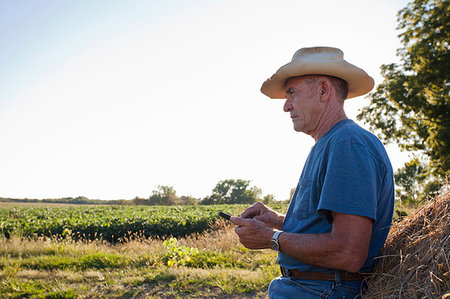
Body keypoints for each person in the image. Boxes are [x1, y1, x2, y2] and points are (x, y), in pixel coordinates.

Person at [230, 47, 394, 298]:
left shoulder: (347, 144)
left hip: (322, 290)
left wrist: (272, 238)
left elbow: (348, 252)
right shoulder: (331, 142)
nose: (286, 106)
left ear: (323, 90)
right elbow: (326, 231)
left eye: (292, 93)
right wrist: (277, 220)